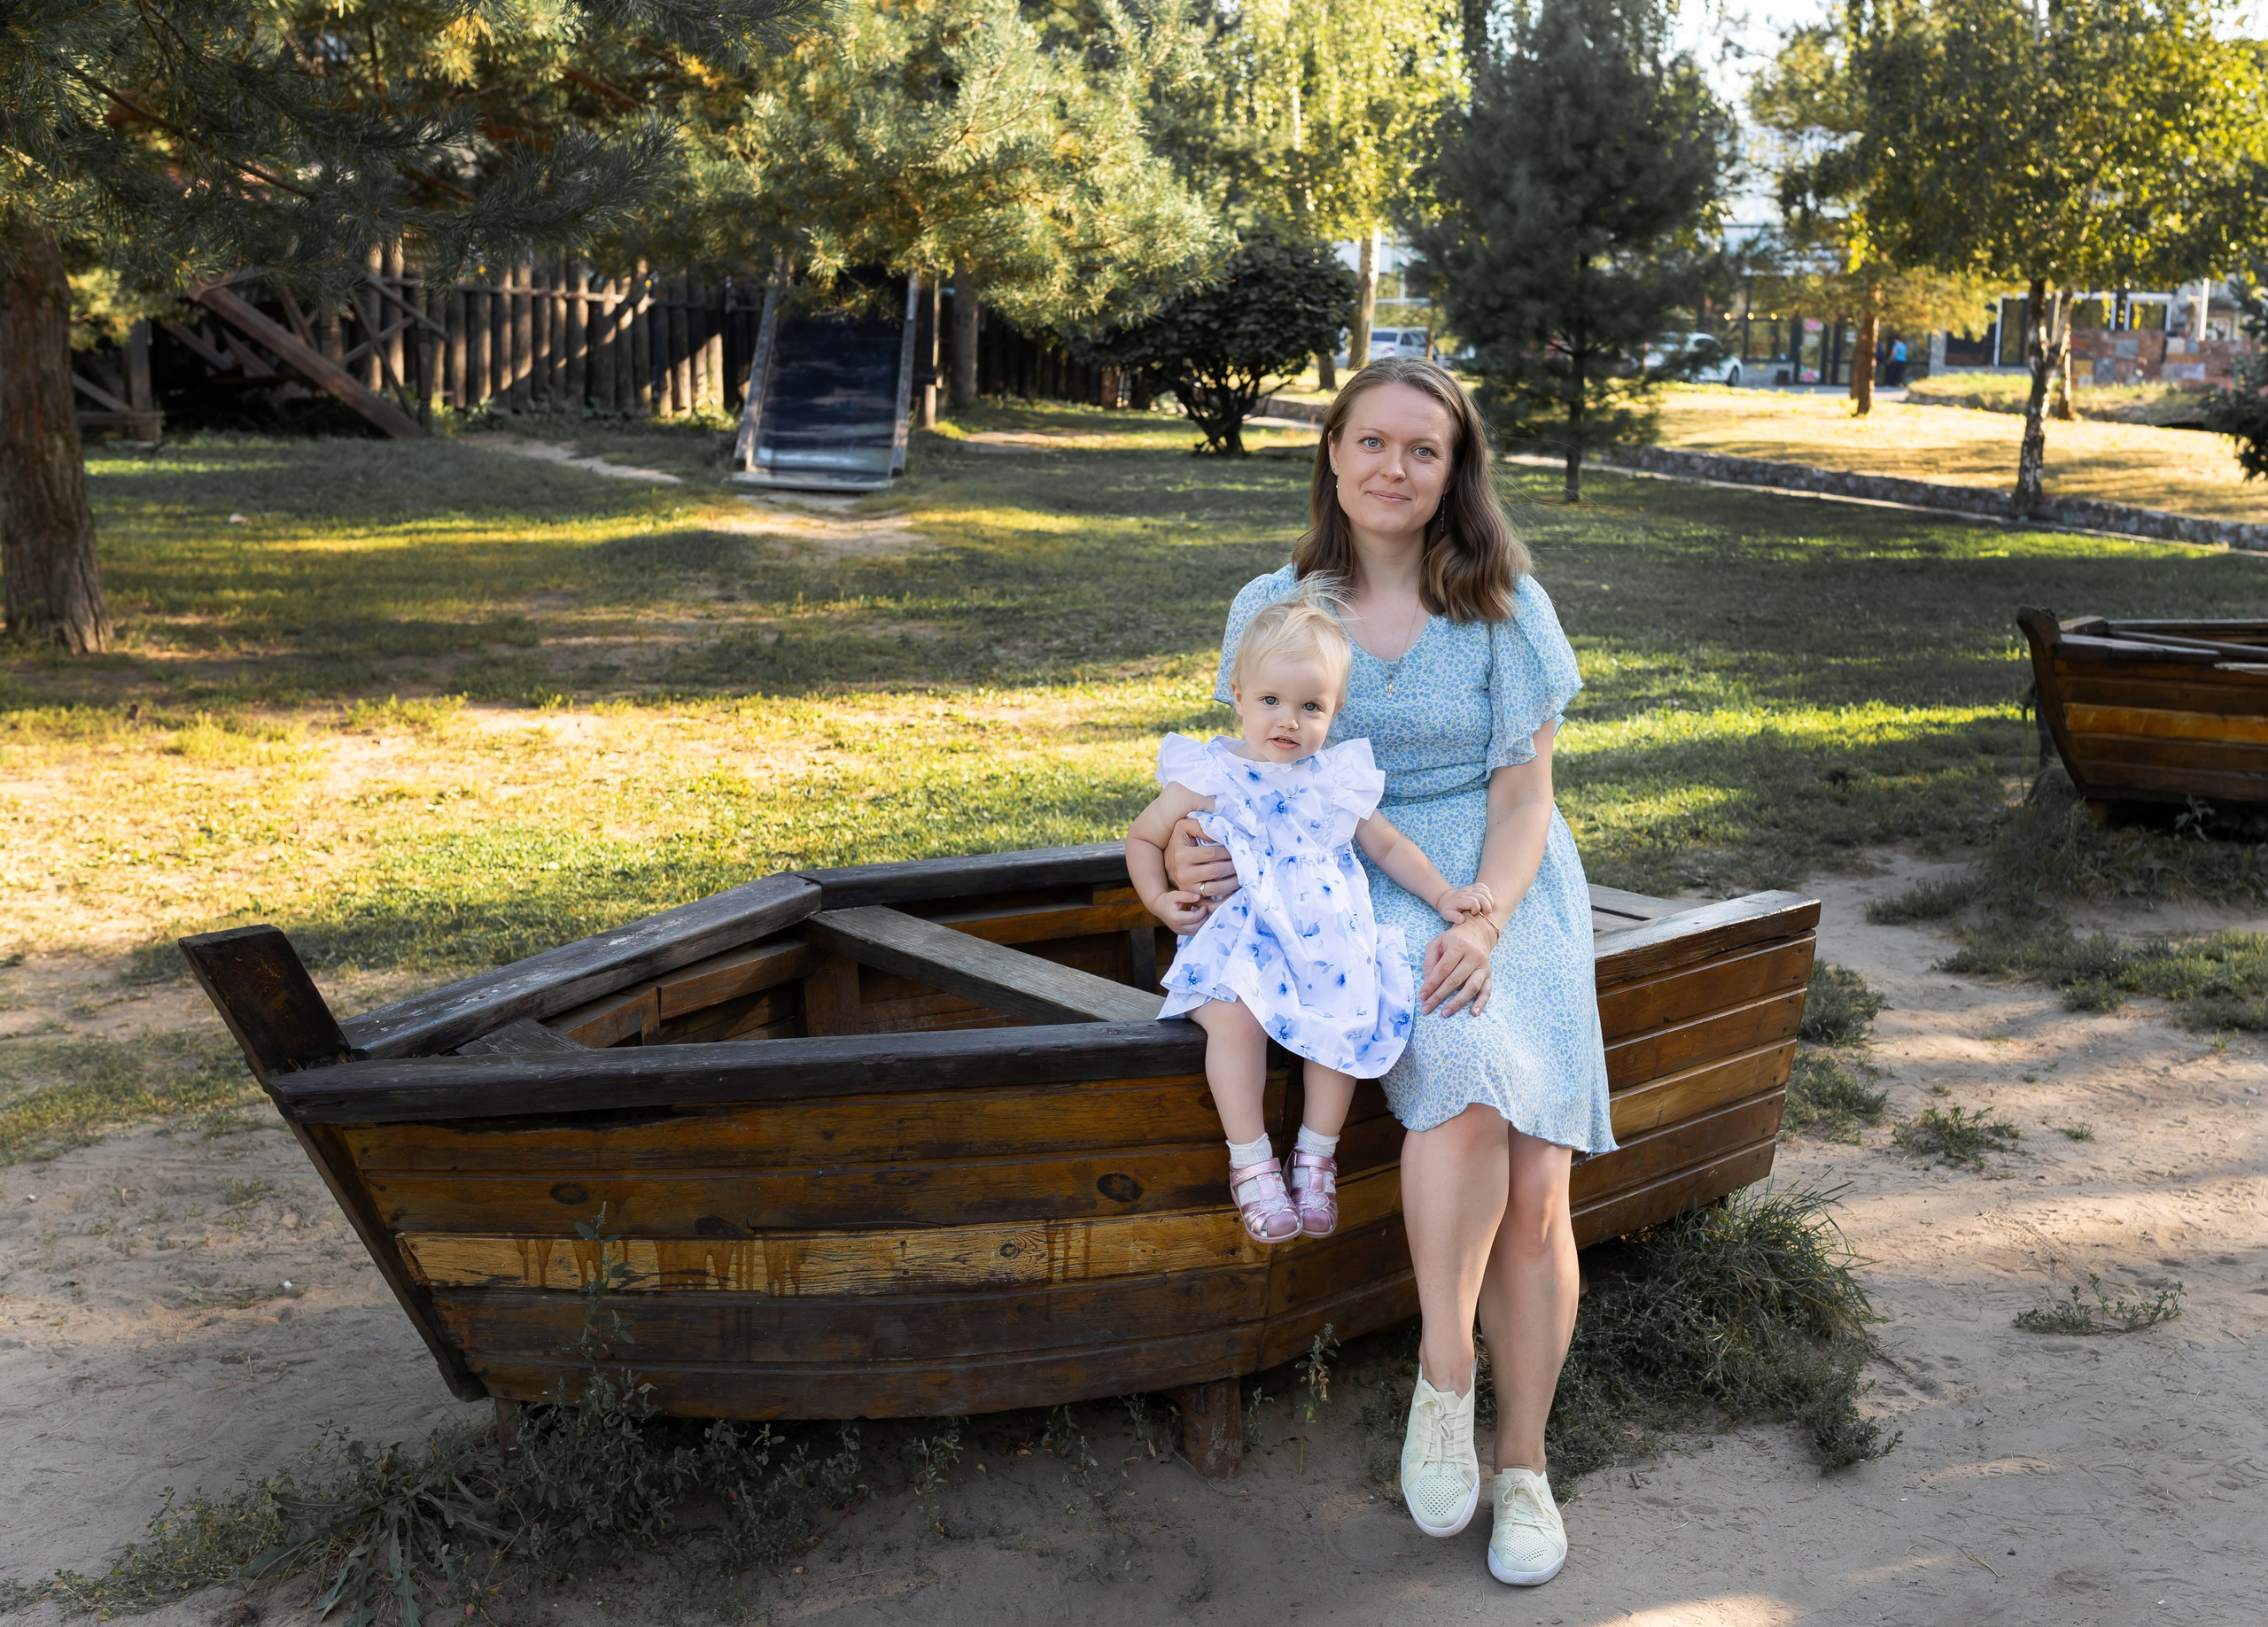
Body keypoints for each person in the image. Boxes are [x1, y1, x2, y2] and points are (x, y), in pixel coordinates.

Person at [1161, 357, 1612, 1589]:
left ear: (1455, 469)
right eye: (1372, 441)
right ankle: (1445, 1373)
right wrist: (1177, 859)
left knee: (1539, 1182)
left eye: (1424, 449)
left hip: (1499, 882)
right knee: (1461, 1077)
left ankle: (1523, 1464)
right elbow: (1242, 763)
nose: (1394, 468)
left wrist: (1488, 920)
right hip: (1346, 886)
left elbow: (1524, 799)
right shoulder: (1275, 600)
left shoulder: (1506, 605)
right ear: (1333, 451)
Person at [1124, 587, 1496, 1243]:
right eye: (1270, 700)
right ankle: (1251, 1161)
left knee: (1347, 1016)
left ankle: (1316, 1155)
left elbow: (1387, 846)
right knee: (1235, 1019)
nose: (1288, 721)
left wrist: (1444, 895)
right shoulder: (1213, 774)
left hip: (1325, 944)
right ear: (1238, 695)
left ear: (1335, 710)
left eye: (1310, 707)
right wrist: (1157, 898)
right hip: (1242, 941)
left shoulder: (1333, 778)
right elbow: (1142, 836)